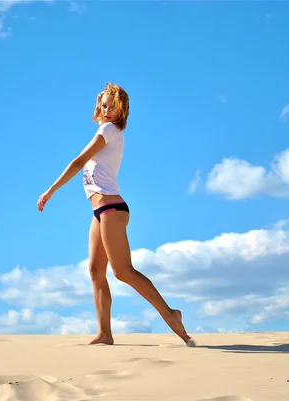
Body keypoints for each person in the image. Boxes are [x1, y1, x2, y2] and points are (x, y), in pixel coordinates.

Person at [37, 83, 195, 347]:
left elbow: (77, 161)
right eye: (103, 105)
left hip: (111, 209)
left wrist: (51, 189)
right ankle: (104, 333)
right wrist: (101, 96)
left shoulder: (108, 130)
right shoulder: (109, 130)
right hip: (99, 211)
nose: (106, 110)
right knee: (96, 271)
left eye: (111, 105)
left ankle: (170, 314)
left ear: (121, 109)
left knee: (122, 271)